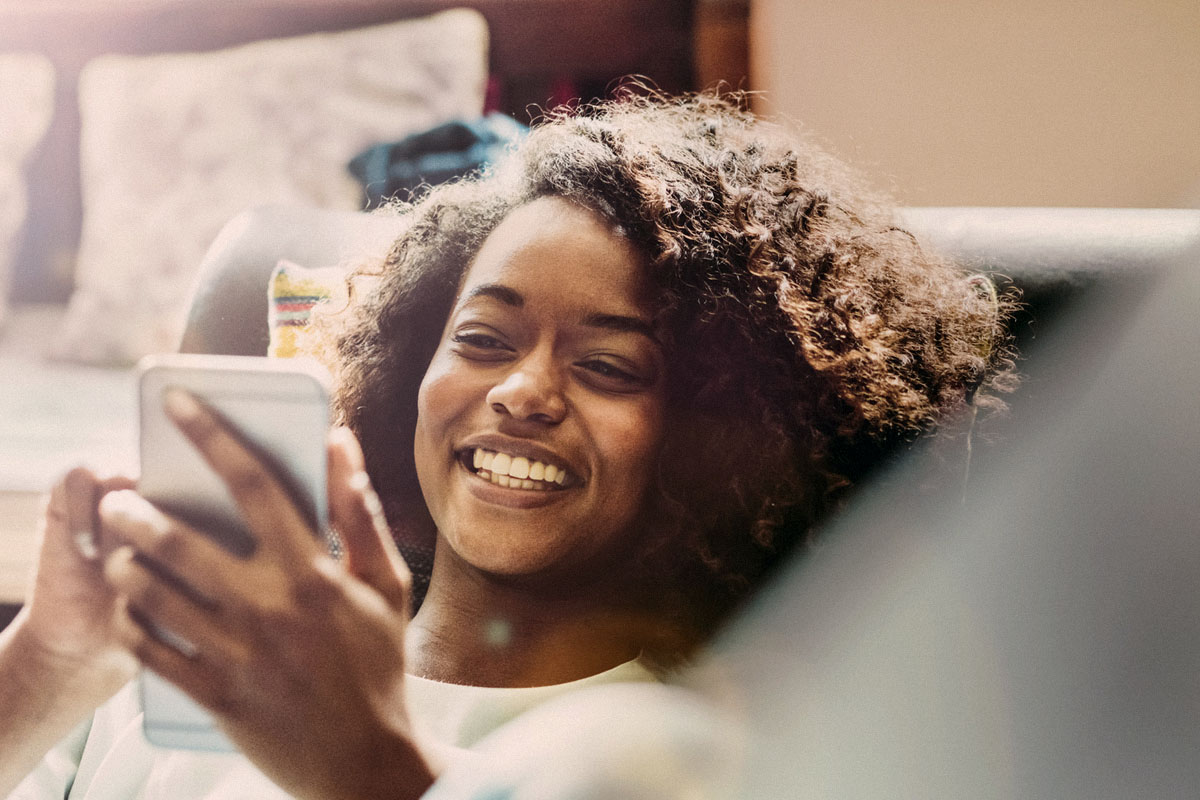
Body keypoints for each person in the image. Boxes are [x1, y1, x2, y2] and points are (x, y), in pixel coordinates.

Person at [0, 91, 1012, 799]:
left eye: (610, 365)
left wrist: (367, 766)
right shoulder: (189, 659)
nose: (522, 391)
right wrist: (47, 661)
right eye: (482, 339)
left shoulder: (694, 750)